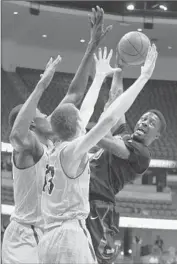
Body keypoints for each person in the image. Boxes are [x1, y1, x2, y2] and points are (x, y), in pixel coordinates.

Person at [2, 6, 111, 263]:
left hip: (48, 233)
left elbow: (74, 94)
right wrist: (40, 86)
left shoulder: (52, 141)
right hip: (24, 236)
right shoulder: (28, 148)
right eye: (40, 114)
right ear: (31, 125)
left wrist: (91, 46)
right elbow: (16, 134)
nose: (46, 115)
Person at [38, 44, 157, 263]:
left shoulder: (56, 146)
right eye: (79, 119)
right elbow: (109, 119)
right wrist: (143, 78)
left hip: (49, 236)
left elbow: (87, 111)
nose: (83, 117)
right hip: (69, 234)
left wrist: (101, 75)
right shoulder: (73, 149)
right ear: (76, 127)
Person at [85, 47, 166, 264]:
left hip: (98, 203)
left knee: (100, 259)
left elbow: (111, 145)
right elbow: (115, 100)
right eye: (143, 118)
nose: (144, 122)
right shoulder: (125, 135)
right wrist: (120, 69)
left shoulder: (142, 154)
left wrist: (83, 130)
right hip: (81, 193)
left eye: (151, 123)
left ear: (156, 136)